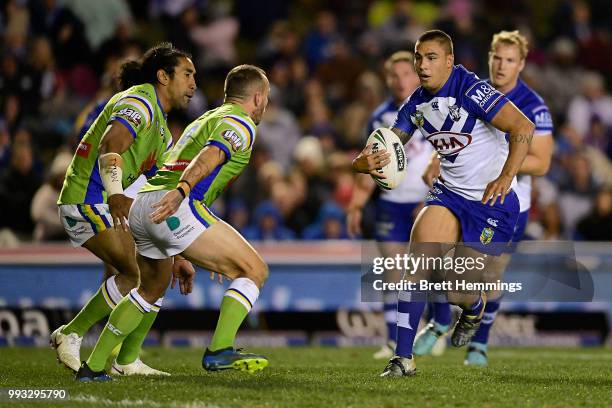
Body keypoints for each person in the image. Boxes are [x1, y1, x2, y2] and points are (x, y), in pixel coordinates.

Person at [353, 30, 535, 377]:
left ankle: (474, 307)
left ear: (450, 61)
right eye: (419, 57)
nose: (423, 65)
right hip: (448, 193)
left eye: (431, 57)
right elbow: (389, 146)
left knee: (456, 290)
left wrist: (506, 176)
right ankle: (403, 359)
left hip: (491, 202)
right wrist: (362, 162)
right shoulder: (415, 104)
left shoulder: (471, 89)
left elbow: (522, 127)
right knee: (416, 263)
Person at [76, 64, 271, 381]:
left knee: (150, 288)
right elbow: (210, 156)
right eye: (267, 98)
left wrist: (186, 249)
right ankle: (219, 350)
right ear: (259, 97)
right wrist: (182, 192)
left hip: (144, 204)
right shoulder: (241, 122)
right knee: (255, 270)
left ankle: (94, 367)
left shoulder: (206, 118)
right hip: (176, 203)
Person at [51, 42, 196, 376]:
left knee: (156, 267)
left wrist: (181, 251)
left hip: (105, 202)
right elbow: (111, 144)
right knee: (138, 273)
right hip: (87, 199)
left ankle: (124, 357)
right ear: (163, 76)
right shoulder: (139, 101)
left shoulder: (162, 130)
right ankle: (77, 335)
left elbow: (162, 193)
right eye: (187, 74)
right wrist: (115, 193)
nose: (193, 84)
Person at [415, 30, 554, 366]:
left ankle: (479, 343)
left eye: (509, 60)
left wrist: (503, 166)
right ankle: (439, 320)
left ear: (521, 64)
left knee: (485, 276)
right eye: (497, 57)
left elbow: (543, 162)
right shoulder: (472, 89)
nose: (501, 65)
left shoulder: (534, 107)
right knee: (430, 255)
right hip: (461, 193)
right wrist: (438, 159)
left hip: (505, 201)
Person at [346, 51, 433, 359]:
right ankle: (393, 340)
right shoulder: (380, 117)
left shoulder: (435, 108)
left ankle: (430, 330)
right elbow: (372, 166)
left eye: (406, 74)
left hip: (429, 202)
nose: (401, 81)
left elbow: (449, 159)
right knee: (392, 271)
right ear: (387, 79)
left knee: (428, 271)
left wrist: (430, 196)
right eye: (394, 76)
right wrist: (356, 205)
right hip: (391, 204)